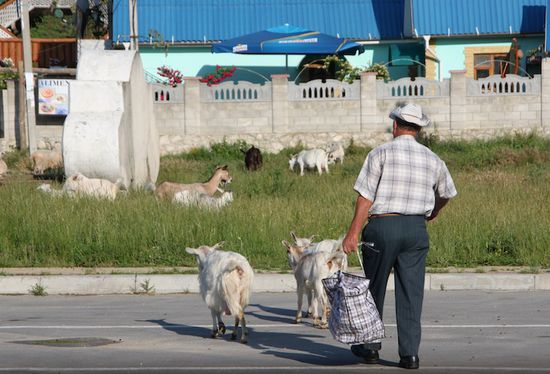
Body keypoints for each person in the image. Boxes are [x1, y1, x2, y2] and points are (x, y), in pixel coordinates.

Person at [342, 103, 457, 370]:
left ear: (395, 126)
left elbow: (365, 197)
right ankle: (409, 355)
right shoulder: (432, 158)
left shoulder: (379, 153)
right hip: (415, 230)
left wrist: (352, 233)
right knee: (411, 292)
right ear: (418, 130)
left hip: (383, 227)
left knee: (373, 288)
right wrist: (433, 212)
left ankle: (369, 347)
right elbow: (447, 192)